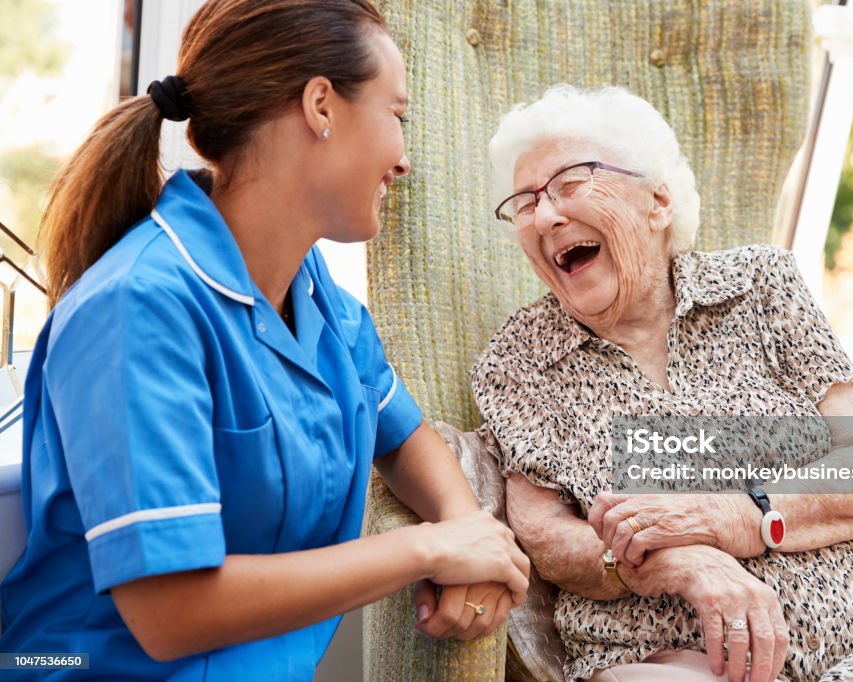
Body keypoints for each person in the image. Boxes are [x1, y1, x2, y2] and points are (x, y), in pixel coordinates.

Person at [0, 1, 529, 679]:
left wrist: (469, 529)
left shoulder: (312, 293)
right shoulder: (137, 307)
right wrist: (431, 550)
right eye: (396, 116)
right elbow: (170, 613)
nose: (403, 158)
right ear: (321, 106)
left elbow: (402, 433)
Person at [472, 85, 853, 682]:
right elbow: (548, 540)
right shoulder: (519, 358)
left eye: (568, 184)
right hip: (667, 650)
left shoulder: (761, 285)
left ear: (657, 201)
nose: (547, 215)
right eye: (526, 203)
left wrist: (736, 518)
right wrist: (687, 565)